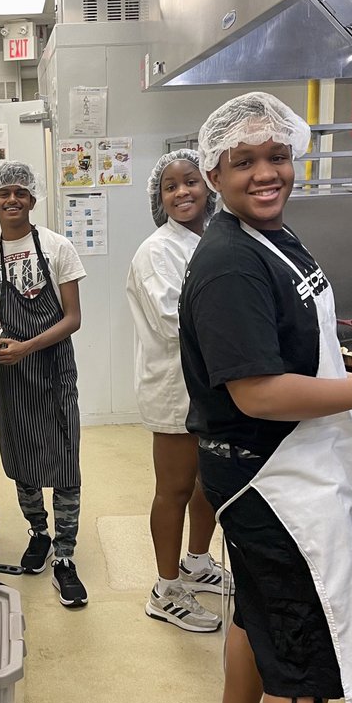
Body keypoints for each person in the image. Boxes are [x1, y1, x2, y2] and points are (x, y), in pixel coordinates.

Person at [178, 92, 352, 703]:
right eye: (243, 161)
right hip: (270, 475)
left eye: (277, 155)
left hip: (269, 469)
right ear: (213, 172)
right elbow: (258, 390)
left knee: (260, 611)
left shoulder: (268, 236)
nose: (266, 172)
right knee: (300, 647)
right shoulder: (229, 263)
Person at [0, 162, 88, 609]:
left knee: (64, 460)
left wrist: (30, 346)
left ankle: (66, 556)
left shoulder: (57, 247)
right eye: (3, 194)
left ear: (32, 199)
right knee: (21, 459)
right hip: (11, 374)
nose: (12, 199)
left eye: (20, 193)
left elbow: (72, 318)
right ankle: (39, 533)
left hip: (52, 369)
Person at [126, 150, 230, 634]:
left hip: (216, 384)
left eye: (191, 182)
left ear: (208, 186)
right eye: (171, 186)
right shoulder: (156, 252)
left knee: (207, 482)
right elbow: (175, 322)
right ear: (160, 197)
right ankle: (165, 589)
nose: (182, 192)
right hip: (175, 387)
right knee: (173, 488)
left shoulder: (218, 239)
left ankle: (195, 561)